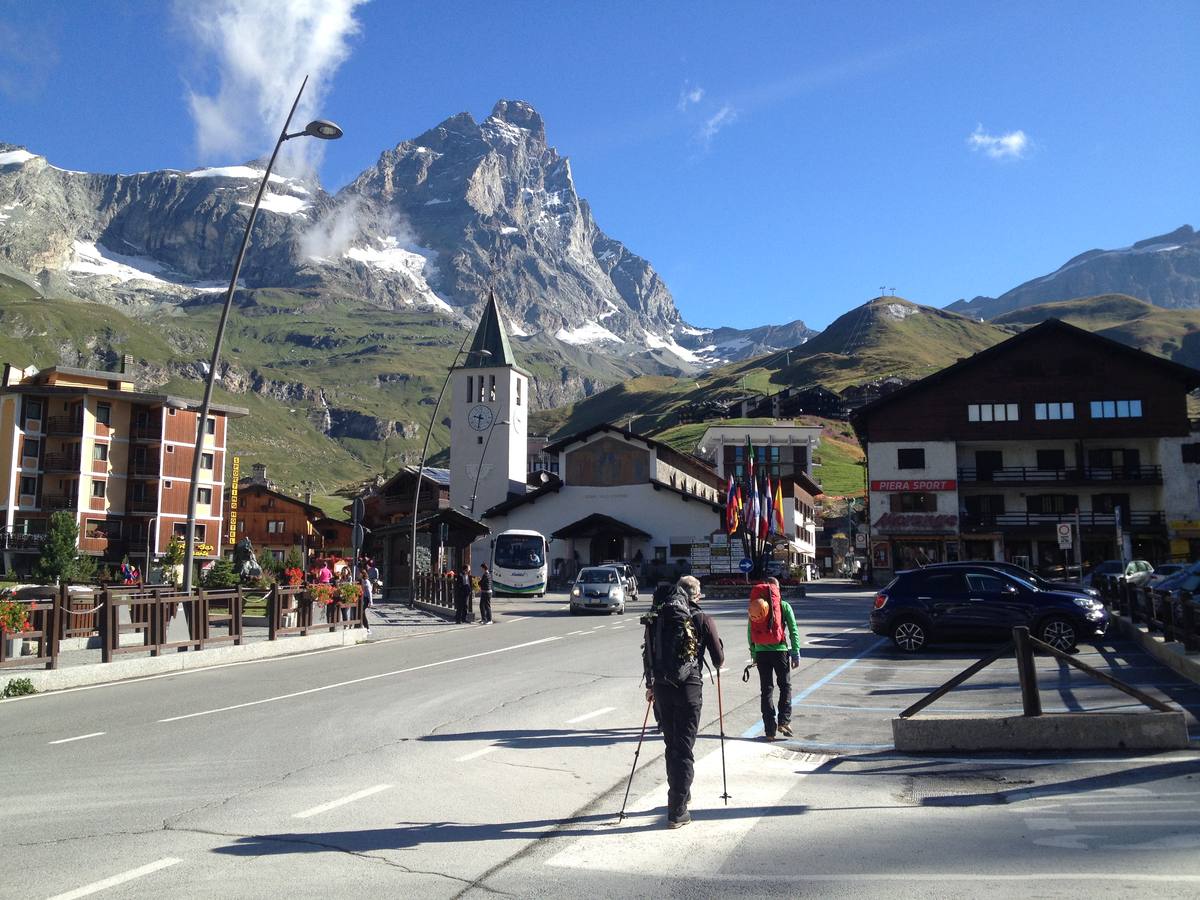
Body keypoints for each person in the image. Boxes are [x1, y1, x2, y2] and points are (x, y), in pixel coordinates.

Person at [642, 574, 723, 829]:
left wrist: (651, 685)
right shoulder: (701, 618)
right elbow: (718, 658)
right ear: (696, 595)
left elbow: (649, 652)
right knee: (684, 747)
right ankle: (677, 809)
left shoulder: (658, 617)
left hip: (663, 688)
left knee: (671, 744)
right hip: (689, 689)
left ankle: (680, 793)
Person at [747, 576, 800, 740]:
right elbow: (793, 630)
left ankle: (769, 731)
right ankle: (783, 720)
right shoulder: (784, 606)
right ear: (777, 590)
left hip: (762, 652)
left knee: (766, 690)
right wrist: (795, 652)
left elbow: (750, 633)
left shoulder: (757, 607)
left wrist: (754, 654)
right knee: (785, 686)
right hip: (780, 651)